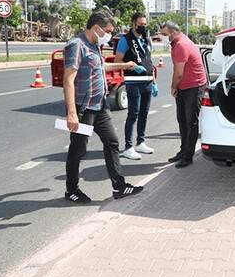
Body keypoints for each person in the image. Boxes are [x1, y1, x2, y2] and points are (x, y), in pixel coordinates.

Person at [63, 11, 144, 203]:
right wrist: (72, 113)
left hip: (100, 106)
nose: (109, 35)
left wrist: (124, 66)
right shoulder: (77, 45)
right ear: (97, 28)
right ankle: (71, 190)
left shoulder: (94, 45)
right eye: (108, 31)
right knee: (78, 149)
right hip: (84, 108)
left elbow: (98, 67)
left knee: (112, 142)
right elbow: (68, 79)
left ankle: (119, 187)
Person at [159, 21, 207, 168]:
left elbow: (178, 74)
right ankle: (183, 151)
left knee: (190, 122)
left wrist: (173, 86)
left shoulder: (181, 45)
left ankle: (188, 156)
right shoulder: (177, 42)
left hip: (193, 87)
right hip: (184, 87)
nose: (163, 37)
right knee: (182, 120)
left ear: (173, 32)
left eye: (165, 34)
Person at [116, 12, 158, 160]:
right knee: (133, 114)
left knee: (144, 113)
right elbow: (117, 62)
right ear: (133, 24)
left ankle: (141, 142)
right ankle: (128, 147)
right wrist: (131, 66)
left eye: (145, 24)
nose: (143, 27)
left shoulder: (146, 39)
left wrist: (153, 81)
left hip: (147, 82)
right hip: (133, 82)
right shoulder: (125, 40)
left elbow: (149, 60)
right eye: (140, 24)